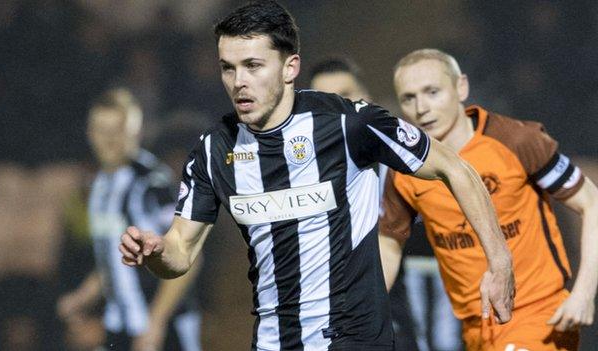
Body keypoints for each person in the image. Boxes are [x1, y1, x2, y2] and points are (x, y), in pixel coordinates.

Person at [119, 2, 515, 350]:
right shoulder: (213, 150)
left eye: (253, 66)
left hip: (353, 337)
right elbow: (181, 251)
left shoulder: (349, 123)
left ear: (291, 67)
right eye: (228, 68)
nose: (238, 82)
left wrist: (499, 263)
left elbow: (454, 167)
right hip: (274, 340)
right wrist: (155, 253)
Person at [380, 48, 598, 350]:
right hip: (474, 327)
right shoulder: (406, 168)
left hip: (537, 315)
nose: (421, 108)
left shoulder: (515, 141)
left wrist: (584, 293)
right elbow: (389, 242)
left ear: (461, 87)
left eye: (432, 92)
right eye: (409, 98)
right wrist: (366, 312)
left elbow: (592, 202)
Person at [57, 88, 201, 351]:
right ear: (90, 133)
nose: (110, 140)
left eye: (119, 130)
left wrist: (156, 322)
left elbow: (188, 255)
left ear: (136, 131)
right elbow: (113, 259)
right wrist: (81, 297)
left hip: (163, 329)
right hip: (122, 325)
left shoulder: (152, 184)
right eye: (102, 130)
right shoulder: (99, 186)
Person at [309, 57, 421, 351]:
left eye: (345, 96)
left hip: (406, 319)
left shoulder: (410, 168)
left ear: (366, 101)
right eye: (324, 100)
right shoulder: (301, 180)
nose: (337, 109)